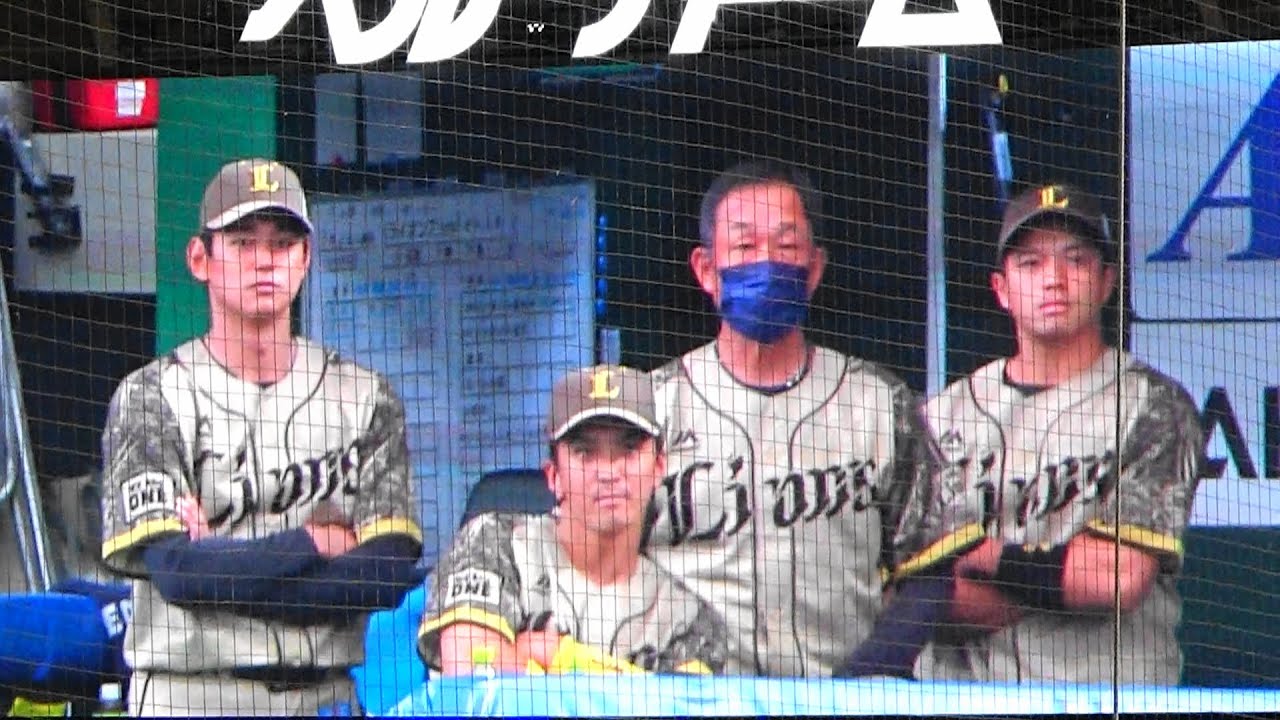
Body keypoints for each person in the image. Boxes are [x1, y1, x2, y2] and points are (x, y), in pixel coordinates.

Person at [98, 159, 426, 716]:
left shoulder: (367, 398)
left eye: (282, 243)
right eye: (243, 242)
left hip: (326, 696)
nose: (264, 260)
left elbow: (384, 576)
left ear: (305, 258)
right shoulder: (149, 398)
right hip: (192, 695)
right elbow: (177, 574)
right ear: (200, 259)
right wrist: (313, 546)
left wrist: (221, 560)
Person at [892, 183, 1203, 684]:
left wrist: (987, 555)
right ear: (1001, 289)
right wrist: (1051, 578)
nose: (1054, 279)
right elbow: (909, 591)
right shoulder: (939, 419)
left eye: (1075, 260)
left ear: (1106, 281)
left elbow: (1117, 579)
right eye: (1031, 264)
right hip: (965, 700)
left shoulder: (1153, 407)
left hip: (1106, 699)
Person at [645, 160, 937, 678]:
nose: (766, 262)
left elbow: (932, 568)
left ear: (815, 267)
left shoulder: (880, 402)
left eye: (785, 246)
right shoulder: (649, 410)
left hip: (844, 698)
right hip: (695, 700)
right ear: (706, 270)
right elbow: (595, 564)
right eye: (744, 246)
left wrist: (869, 675)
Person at [418, 365, 729, 676]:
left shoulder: (687, 618)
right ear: (554, 476)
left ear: (659, 467)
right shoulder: (495, 540)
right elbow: (471, 670)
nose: (609, 472)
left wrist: (559, 656)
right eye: (585, 453)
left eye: (629, 450)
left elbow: (682, 701)